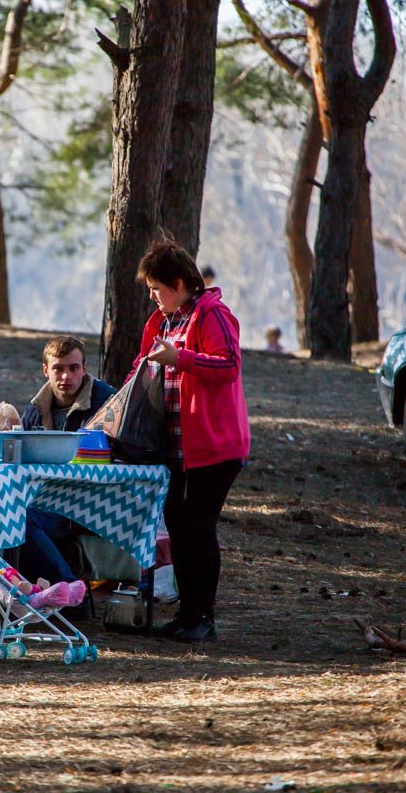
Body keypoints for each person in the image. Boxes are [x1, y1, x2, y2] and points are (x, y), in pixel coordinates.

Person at [134, 241, 250, 643]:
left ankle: (204, 615)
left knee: (199, 527)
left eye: (155, 287)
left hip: (214, 448)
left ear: (178, 283)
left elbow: (229, 366)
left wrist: (180, 360)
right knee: (181, 528)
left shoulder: (211, 315)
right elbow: (144, 365)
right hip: (173, 448)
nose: (152, 295)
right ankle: (187, 615)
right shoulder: (162, 322)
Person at [18, 336, 117, 586]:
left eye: (73, 368)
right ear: (45, 370)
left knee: (21, 519)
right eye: (58, 369)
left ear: (85, 368)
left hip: (93, 504)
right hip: (47, 499)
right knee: (6, 514)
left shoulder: (107, 403)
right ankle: (27, 593)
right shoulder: (35, 410)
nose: (66, 376)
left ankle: (70, 591)